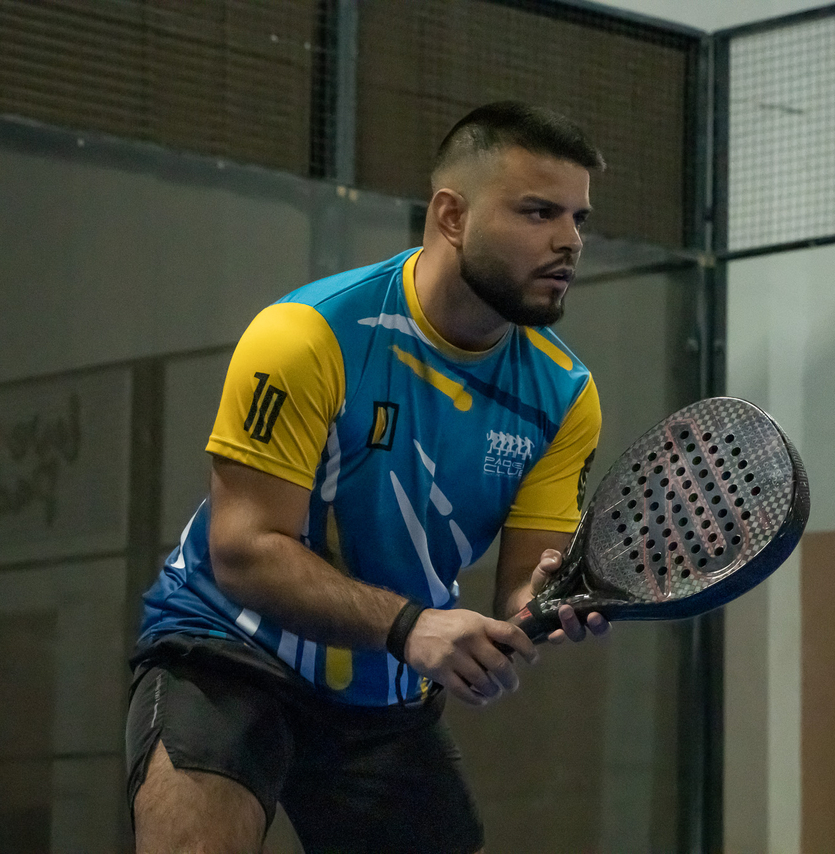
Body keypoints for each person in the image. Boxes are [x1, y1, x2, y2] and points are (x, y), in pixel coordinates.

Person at [125, 102, 609, 854]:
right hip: (228, 651)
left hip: (383, 686)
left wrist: (550, 599)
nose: (569, 241)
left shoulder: (565, 396)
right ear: (452, 216)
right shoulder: (306, 335)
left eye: (578, 218)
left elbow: (522, 586)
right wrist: (413, 626)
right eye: (538, 211)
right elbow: (245, 549)